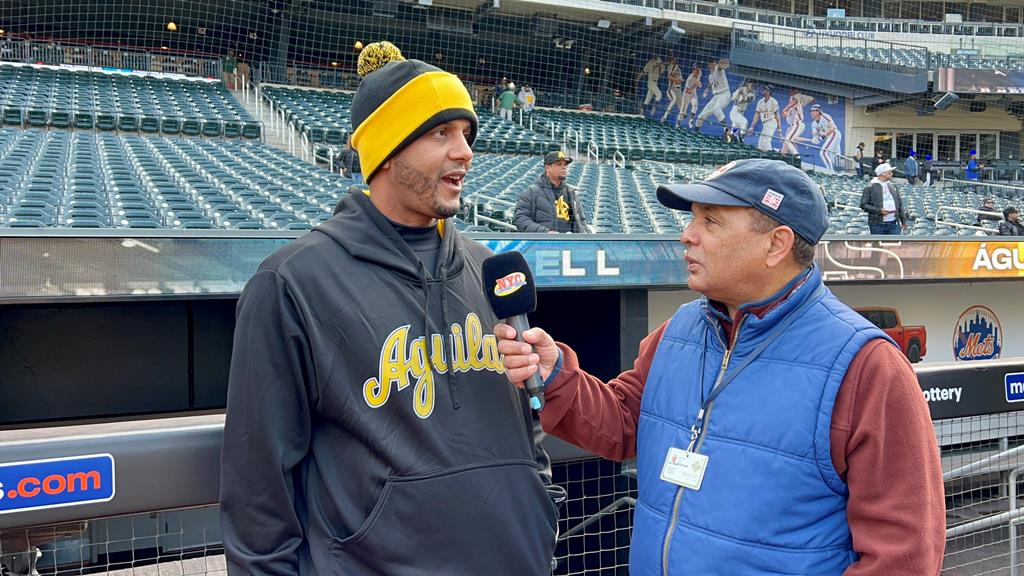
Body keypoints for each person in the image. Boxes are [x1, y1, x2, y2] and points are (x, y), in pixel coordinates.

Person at [494, 158, 945, 575]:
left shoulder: (867, 365)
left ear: (777, 245)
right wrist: (555, 373)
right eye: (692, 218)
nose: (687, 235)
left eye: (710, 221)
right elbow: (624, 421)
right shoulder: (682, 328)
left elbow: (903, 556)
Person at [220, 41, 561, 575]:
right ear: (387, 149)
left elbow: (525, 427)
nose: (465, 151)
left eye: (466, 135)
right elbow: (257, 489)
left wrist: (538, 510)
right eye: (440, 133)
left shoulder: (485, 268)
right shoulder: (293, 281)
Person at [514, 150, 589, 233]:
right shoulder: (532, 192)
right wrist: (545, 232)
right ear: (548, 168)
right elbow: (520, 219)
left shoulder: (571, 192)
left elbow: (581, 220)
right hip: (544, 244)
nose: (564, 167)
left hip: (570, 244)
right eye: (559, 164)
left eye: (565, 164)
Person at [861, 163, 909, 235]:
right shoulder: (870, 187)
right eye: (889, 172)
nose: (892, 174)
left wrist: (903, 221)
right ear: (883, 173)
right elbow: (864, 204)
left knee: (893, 245)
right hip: (877, 224)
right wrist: (879, 210)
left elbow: (900, 204)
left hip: (894, 223)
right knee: (878, 246)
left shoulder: (893, 187)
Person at [695, 58, 731, 131]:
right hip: (716, 96)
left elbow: (721, 67)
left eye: (715, 63)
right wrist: (707, 89)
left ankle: (727, 129)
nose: (714, 64)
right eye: (712, 63)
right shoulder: (710, 76)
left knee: (716, 109)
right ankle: (696, 132)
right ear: (709, 65)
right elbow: (712, 82)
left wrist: (724, 64)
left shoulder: (718, 69)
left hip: (724, 94)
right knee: (701, 116)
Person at [806, 104, 842, 172]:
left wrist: (821, 138)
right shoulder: (813, 124)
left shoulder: (825, 116)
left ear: (818, 111)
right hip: (829, 137)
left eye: (813, 111)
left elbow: (832, 128)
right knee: (833, 157)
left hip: (834, 134)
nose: (812, 113)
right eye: (811, 111)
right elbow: (815, 133)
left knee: (823, 152)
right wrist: (815, 138)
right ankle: (837, 172)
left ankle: (830, 171)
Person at [780, 89, 813, 155]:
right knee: (787, 143)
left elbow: (796, 100)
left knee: (789, 139)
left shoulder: (797, 99)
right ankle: (786, 155)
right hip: (791, 126)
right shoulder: (792, 107)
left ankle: (796, 156)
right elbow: (784, 114)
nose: (790, 91)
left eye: (792, 90)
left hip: (797, 124)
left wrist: (786, 108)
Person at [749, 85, 780, 152]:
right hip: (765, 123)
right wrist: (752, 126)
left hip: (771, 121)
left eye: (765, 89)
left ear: (769, 91)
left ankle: (772, 154)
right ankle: (773, 152)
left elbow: (777, 116)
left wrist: (779, 129)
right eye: (763, 89)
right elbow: (757, 114)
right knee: (760, 143)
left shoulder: (773, 102)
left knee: (766, 141)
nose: (763, 90)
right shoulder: (760, 102)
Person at [659, 57, 684, 125]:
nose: (675, 61)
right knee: (674, 99)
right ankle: (664, 116)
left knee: (682, 108)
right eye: (673, 60)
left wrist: (680, 80)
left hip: (678, 89)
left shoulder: (678, 69)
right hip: (672, 89)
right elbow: (669, 76)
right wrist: (676, 80)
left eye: (676, 60)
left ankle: (678, 123)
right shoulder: (671, 67)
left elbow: (680, 79)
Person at [677, 63, 703, 129]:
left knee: (695, 105)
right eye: (695, 69)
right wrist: (695, 85)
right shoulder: (690, 78)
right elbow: (687, 90)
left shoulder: (699, 73)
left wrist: (698, 81)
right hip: (687, 95)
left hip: (693, 93)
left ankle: (691, 120)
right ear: (693, 70)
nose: (697, 71)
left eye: (697, 69)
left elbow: (700, 85)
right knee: (682, 111)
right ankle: (678, 123)